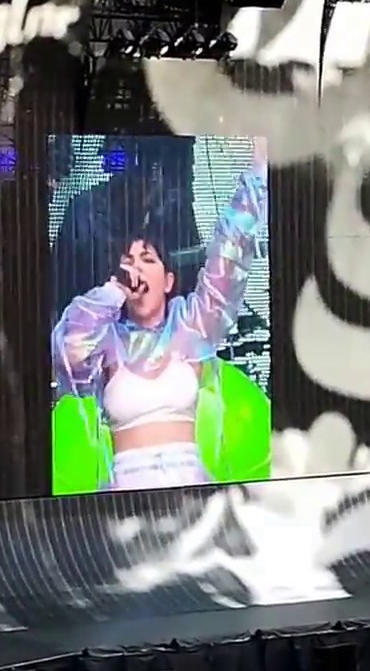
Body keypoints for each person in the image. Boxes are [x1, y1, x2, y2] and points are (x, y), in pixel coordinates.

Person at [51, 138, 268, 492]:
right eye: (128, 261)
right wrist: (114, 291)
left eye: (147, 259)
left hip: (190, 487)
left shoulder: (190, 328)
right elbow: (68, 347)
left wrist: (257, 173)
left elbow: (229, 258)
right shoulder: (108, 342)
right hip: (126, 496)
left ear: (168, 280)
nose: (136, 268)